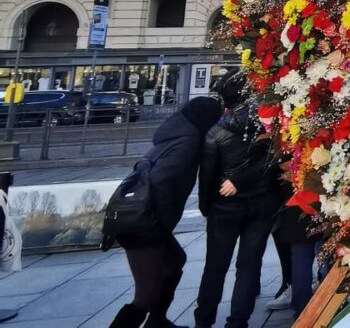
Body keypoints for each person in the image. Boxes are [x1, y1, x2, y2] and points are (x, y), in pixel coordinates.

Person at [109, 96, 223, 328]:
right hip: (143, 224)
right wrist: (160, 221)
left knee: (175, 260)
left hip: (141, 218)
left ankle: (158, 321)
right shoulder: (188, 144)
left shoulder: (176, 132)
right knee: (145, 295)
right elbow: (161, 182)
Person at [193, 74, 276, 328]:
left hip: (223, 208)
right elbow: (271, 162)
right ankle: (238, 320)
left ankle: (204, 319)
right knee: (249, 266)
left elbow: (206, 179)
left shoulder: (214, 133)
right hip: (260, 205)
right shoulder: (264, 128)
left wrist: (207, 207)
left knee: (215, 266)